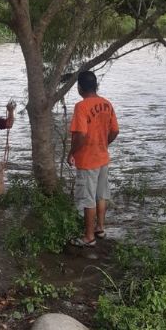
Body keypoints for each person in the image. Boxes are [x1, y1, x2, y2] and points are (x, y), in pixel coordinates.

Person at [67, 70, 119, 247]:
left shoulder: (81, 107)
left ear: (79, 88)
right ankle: (100, 229)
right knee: (100, 195)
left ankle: (89, 237)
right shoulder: (107, 104)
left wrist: (72, 152)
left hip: (87, 160)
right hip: (103, 157)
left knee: (88, 198)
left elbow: (80, 134)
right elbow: (115, 131)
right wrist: (104, 143)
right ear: (95, 86)